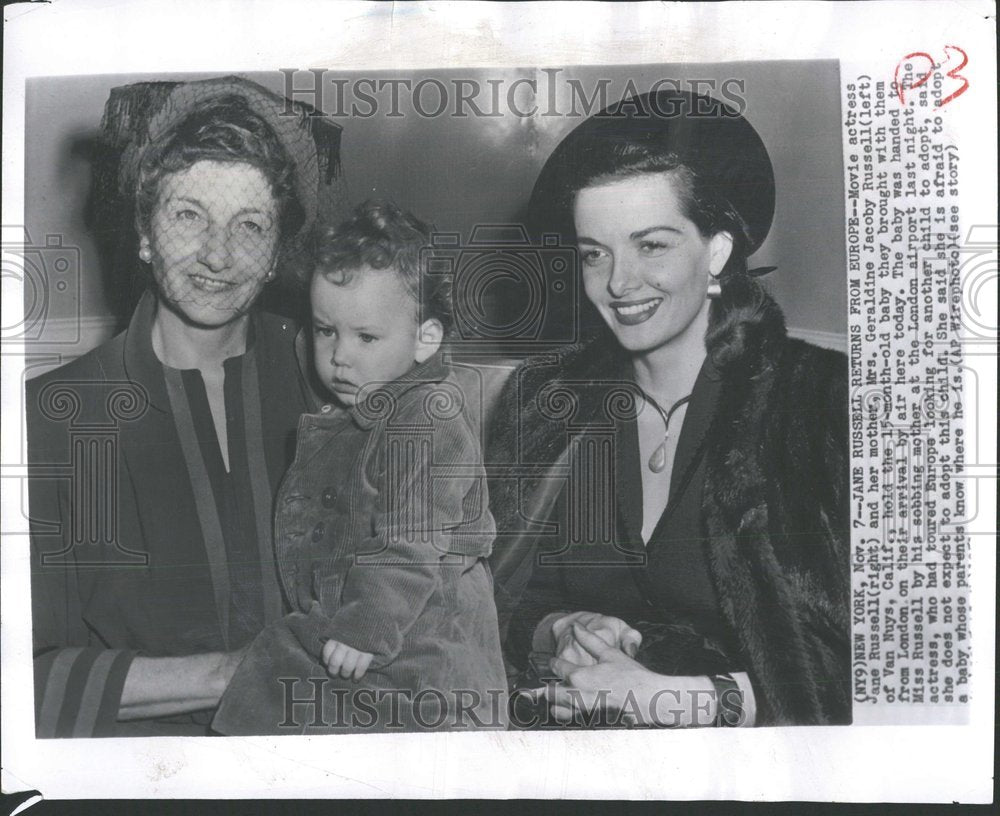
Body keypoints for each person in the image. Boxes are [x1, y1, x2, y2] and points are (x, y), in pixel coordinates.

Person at [488, 90, 850, 727]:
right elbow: (501, 600)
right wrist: (559, 629)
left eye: (651, 245)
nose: (618, 282)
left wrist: (689, 699)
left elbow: (889, 664)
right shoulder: (546, 404)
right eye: (594, 253)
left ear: (716, 252)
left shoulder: (821, 402)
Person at [28, 76, 341, 737]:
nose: (218, 256)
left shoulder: (332, 385)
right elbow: (27, 676)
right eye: (189, 215)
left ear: (278, 252)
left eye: (249, 225)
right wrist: (229, 673)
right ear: (144, 233)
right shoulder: (51, 421)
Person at [211, 201, 507, 734]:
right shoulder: (369, 398)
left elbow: (410, 540)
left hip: (427, 646)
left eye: (365, 338)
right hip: (375, 625)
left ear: (426, 339)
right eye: (326, 331)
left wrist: (364, 628)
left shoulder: (427, 418)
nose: (339, 356)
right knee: (276, 674)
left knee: (283, 679)